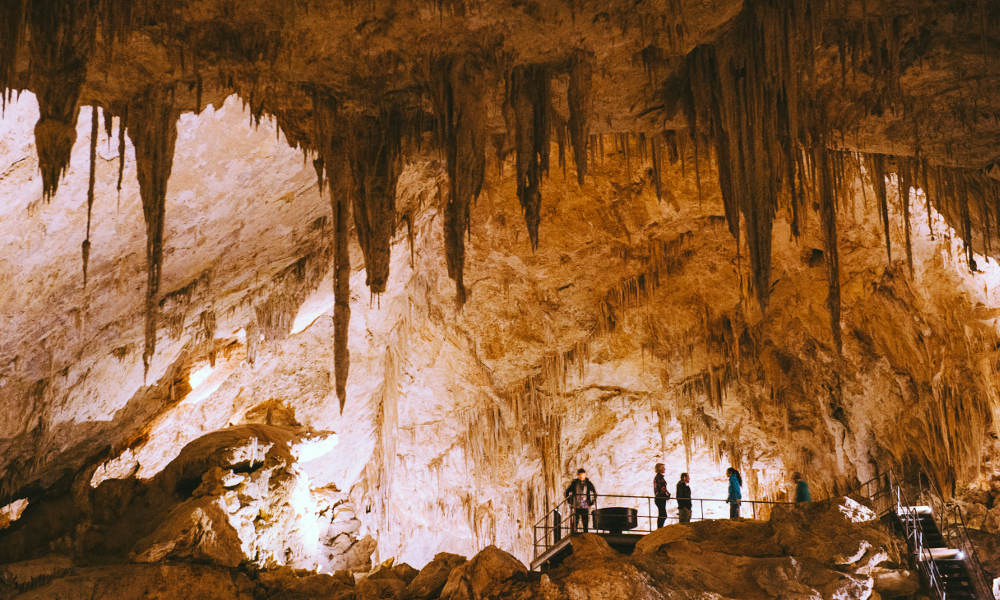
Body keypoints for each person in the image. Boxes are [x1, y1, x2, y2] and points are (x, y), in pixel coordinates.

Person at [565, 468, 598, 533]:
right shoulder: (574, 483)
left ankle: (585, 533)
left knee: (585, 521)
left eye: (583, 475)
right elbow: (567, 492)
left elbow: (595, 493)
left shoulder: (588, 483)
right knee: (575, 521)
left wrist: (591, 502)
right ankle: (574, 533)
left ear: (585, 475)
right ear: (578, 475)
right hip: (576, 504)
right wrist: (570, 501)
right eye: (580, 475)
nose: (581, 476)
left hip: (585, 504)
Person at [653, 463, 671, 528]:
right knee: (663, 515)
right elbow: (662, 488)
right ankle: (659, 528)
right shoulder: (659, 477)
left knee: (662, 514)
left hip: (660, 498)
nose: (664, 469)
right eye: (663, 468)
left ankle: (660, 528)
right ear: (660, 469)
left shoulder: (659, 477)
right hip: (660, 498)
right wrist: (667, 494)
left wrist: (667, 494)